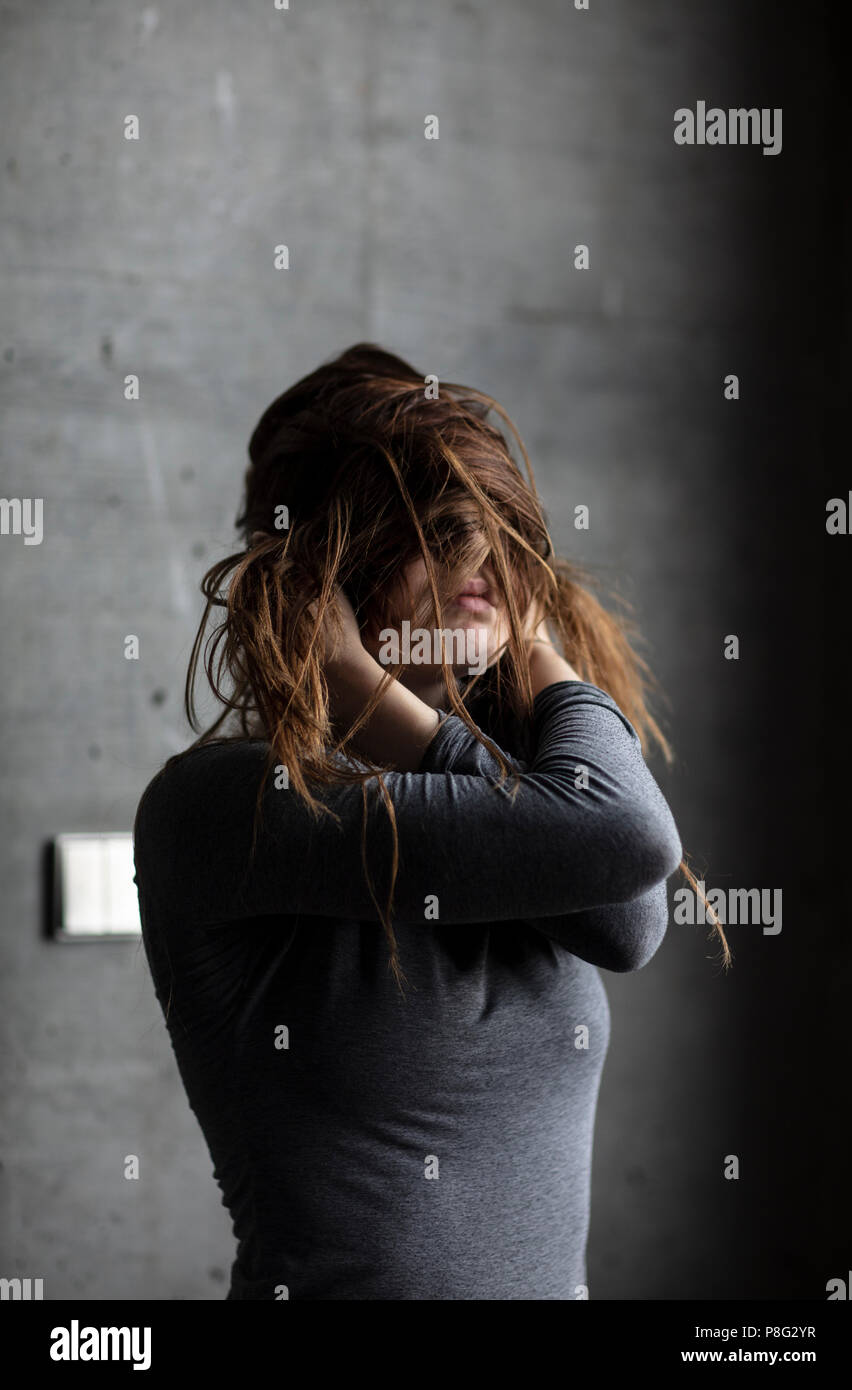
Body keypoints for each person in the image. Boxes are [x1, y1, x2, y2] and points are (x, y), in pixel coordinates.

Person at [133, 343, 728, 1300]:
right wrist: (367, 694)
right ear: (315, 581)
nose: (480, 553)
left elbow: (629, 918)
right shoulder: (230, 806)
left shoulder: (536, 813)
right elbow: (627, 836)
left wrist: (525, 640)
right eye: (427, 530)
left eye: (499, 533)